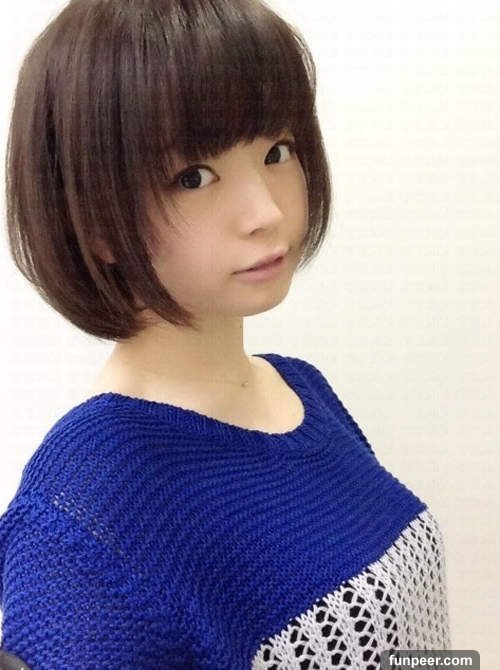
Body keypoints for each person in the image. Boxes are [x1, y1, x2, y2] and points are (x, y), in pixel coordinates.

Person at [0, 1, 451, 668]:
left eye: (276, 151)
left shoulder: (302, 391)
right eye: (193, 177)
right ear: (94, 223)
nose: (266, 211)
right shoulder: (86, 517)